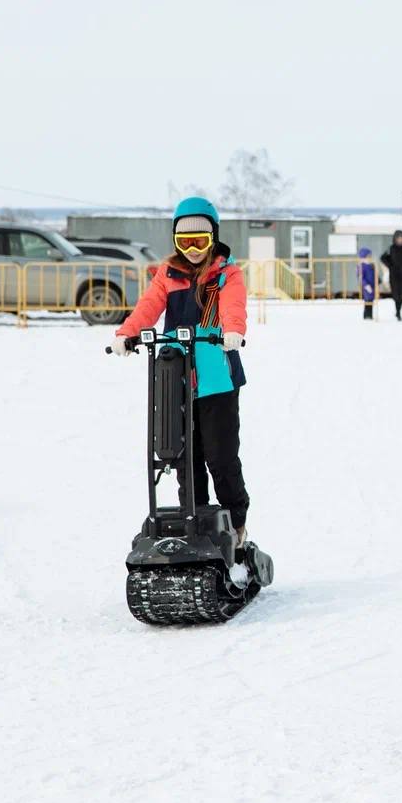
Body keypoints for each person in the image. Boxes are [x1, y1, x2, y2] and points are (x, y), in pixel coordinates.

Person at [109, 196, 251, 544]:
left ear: (213, 238)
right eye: (183, 241)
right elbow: (148, 308)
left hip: (217, 376)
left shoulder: (226, 274)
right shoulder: (167, 276)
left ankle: (235, 525)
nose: (192, 249)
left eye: (199, 241)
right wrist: (127, 334)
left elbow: (234, 306)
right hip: (175, 377)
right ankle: (195, 521)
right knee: (183, 456)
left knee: (220, 456)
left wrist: (233, 331)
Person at [380, 229, 402, 320]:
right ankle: (397, 311)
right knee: (396, 294)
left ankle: (399, 311)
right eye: (398, 238)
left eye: (401, 238)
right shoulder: (391, 249)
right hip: (394, 275)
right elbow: (383, 258)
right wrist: (390, 266)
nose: (400, 240)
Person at [358, 246, 376, 320]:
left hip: (372, 285)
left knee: (371, 300)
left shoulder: (371, 264)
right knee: (367, 300)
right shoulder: (361, 265)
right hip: (366, 286)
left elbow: (374, 274)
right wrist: (366, 285)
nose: (370, 257)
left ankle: (370, 315)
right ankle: (367, 315)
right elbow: (361, 277)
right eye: (368, 256)